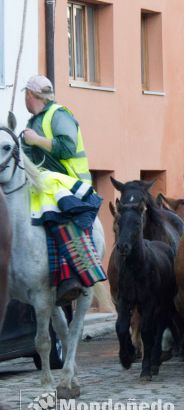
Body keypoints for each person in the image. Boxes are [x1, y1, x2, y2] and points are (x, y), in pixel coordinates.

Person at [21, 75, 104, 305]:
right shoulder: (32, 122)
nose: (24, 100)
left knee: (58, 216)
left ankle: (73, 274)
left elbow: (66, 147)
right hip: (45, 185)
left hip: (69, 184)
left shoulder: (59, 115)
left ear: (30, 95)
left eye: (24, 96)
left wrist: (36, 140)